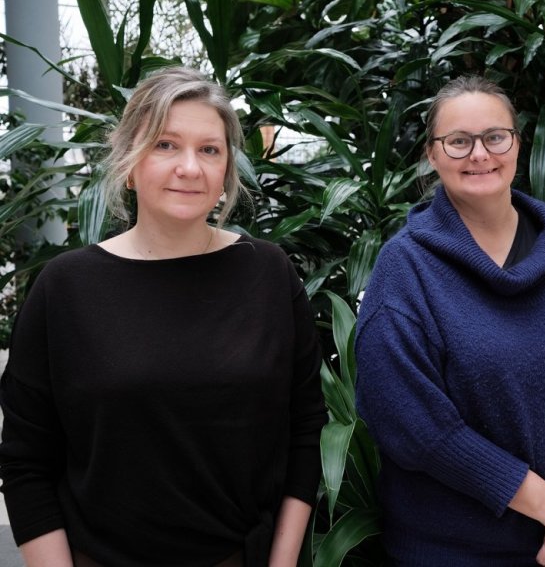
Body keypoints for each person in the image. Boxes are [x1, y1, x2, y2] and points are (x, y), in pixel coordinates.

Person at [0, 66, 328, 567]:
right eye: (166, 145)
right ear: (129, 164)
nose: (190, 167)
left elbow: (305, 430)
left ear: (226, 171)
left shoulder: (268, 273)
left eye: (209, 149)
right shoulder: (65, 289)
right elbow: (25, 461)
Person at [354, 75, 545, 566]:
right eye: (459, 142)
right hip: (450, 553)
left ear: (517, 143)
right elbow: (410, 421)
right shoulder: (406, 270)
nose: (480, 155)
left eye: (494, 137)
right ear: (432, 154)